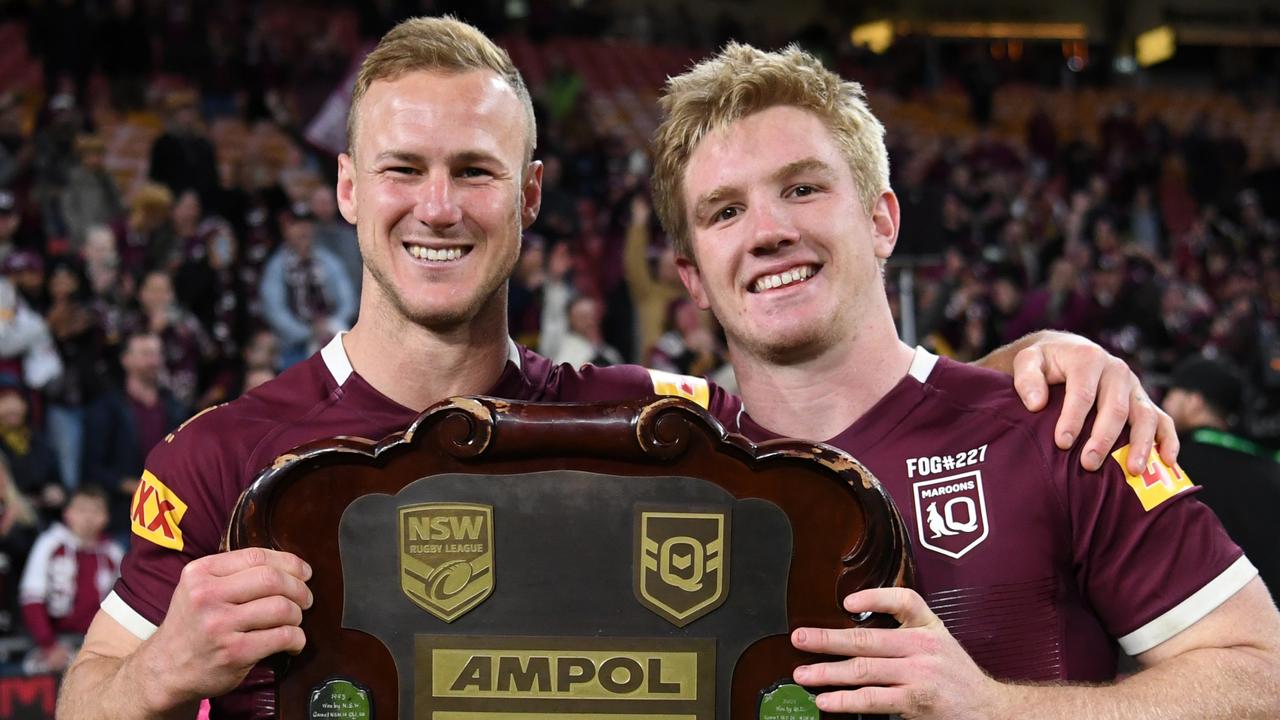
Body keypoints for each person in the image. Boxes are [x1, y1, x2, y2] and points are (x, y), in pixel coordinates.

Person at [58, 18, 1178, 720]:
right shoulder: (215, 456)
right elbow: (85, 700)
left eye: (475, 172)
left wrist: (1020, 372)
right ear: (350, 190)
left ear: (530, 197)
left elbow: (844, 408)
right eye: (403, 168)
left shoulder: (637, 418)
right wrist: (159, 677)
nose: (437, 206)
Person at [648, 42, 1280, 717]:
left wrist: (999, 709)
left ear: (881, 220)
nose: (769, 231)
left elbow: (1262, 676)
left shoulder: (1066, 425)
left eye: (802, 188)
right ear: (693, 279)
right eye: (725, 211)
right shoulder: (656, 467)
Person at [1162, 355, 1280, 601]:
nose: (1165, 403)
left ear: (1195, 402)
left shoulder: (1171, 462)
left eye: (1173, 394)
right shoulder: (1267, 464)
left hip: (1203, 611)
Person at [81, 332, 188, 542]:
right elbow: (92, 467)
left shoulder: (175, 407)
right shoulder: (106, 407)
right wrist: (135, 486)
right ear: (125, 359)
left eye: (158, 354)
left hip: (167, 518)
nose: (154, 361)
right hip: (120, 518)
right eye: (146, 354)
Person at [19, 486, 122, 674]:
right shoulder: (49, 544)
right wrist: (48, 645)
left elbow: (122, 606)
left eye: (96, 511)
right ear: (68, 513)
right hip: (51, 643)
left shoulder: (113, 553)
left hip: (96, 643)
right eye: (82, 510)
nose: (88, 518)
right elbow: (31, 598)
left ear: (106, 517)